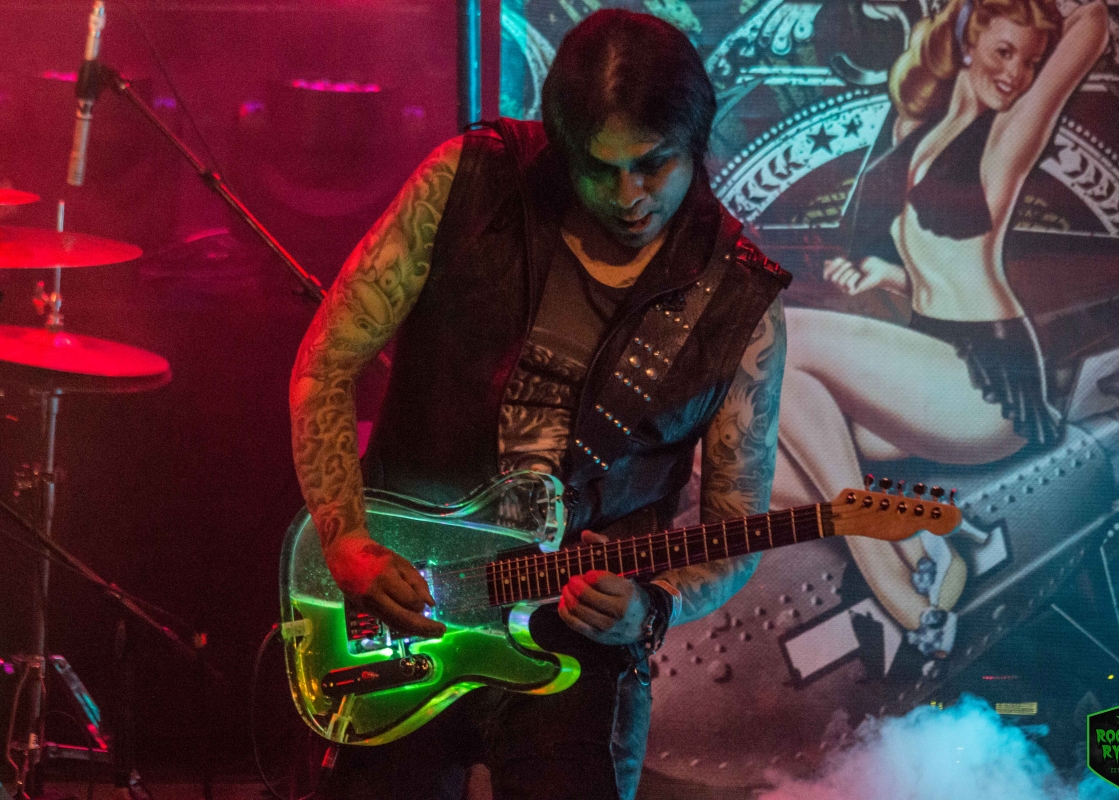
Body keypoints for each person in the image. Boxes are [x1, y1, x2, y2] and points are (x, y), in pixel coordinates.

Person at [288, 10, 790, 800]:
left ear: (696, 143)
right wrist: (344, 536)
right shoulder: (469, 182)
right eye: (598, 169)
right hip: (406, 609)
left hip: (577, 648)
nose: (628, 196)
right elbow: (327, 362)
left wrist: (652, 608)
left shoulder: (741, 303)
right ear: (562, 148)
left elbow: (736, 528)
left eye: (653, 165)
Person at [772, 0, 1108, 657]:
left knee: (777, 338)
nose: (1016, 74)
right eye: (1004, 52)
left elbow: (1091, 24)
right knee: (758, 461)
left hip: (986, 380)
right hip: (937, 367)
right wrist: (886, 275)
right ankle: (919, 536)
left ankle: (893, 580)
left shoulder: (1008, 133)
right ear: (969, 42)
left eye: (1030, 61)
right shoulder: (927, 135)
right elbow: (942, 261)